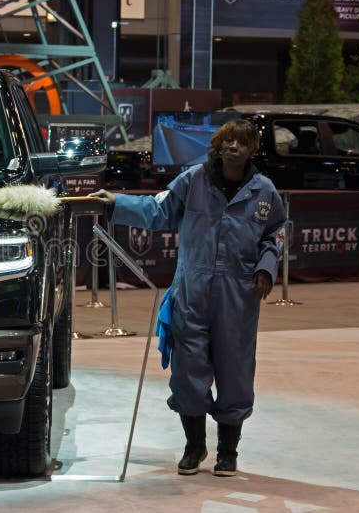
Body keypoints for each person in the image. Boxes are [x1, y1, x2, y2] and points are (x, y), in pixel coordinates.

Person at [89, 119, 285, 477]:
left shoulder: (264, 191)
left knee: (236, 372)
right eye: (227, 141)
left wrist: (266, 266)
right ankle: (194, 447)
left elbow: (275, 233)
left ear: (252, 148)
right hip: (191, 291)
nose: (233, 148)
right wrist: (117, 202)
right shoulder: (194, 180)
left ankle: (228, 451)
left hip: (238, 297)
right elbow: (160, 210)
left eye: (241, 142)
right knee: (187, 370)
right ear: (218, 145)